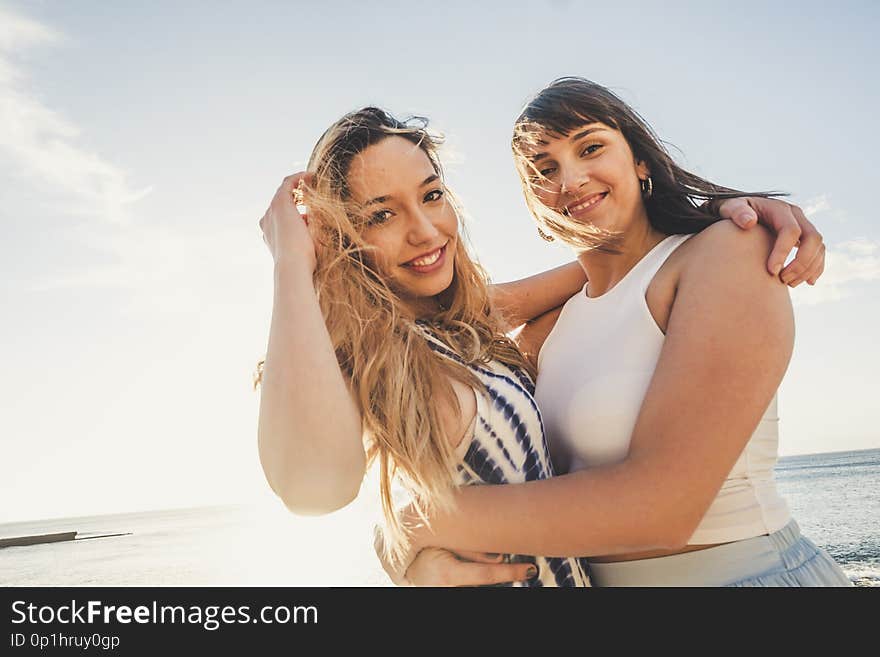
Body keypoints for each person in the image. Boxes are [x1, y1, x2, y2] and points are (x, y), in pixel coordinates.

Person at [255, 103, 827, 586]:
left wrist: (716, 219)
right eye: (381, 214)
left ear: (641, 156)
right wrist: (292, 263)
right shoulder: (390, 349)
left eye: (432, 195)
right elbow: (316, 490)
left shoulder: (482, 329)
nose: (425, 232)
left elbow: (607, 272)